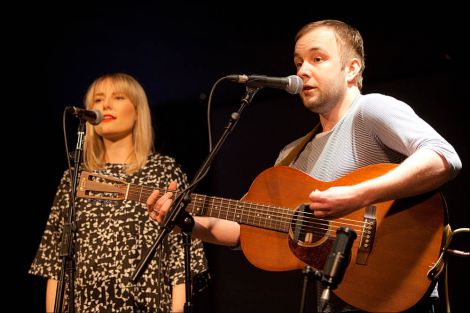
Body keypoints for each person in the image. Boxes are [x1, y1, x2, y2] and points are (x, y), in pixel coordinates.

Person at [148, 20, 462, 312]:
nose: (302, 71)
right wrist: (188, 223)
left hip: (393, 288)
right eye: (298, 63)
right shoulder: (292, 155)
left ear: (351, 68)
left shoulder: (371, 109)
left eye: (317, 59)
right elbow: (245, 228)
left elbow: (443, 157)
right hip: (337, 299)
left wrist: (358, 196)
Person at [29, 73, 209, 313]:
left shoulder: (164, 170)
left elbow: (181, 253)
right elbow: (55, 261)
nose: (105, 105)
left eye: (118, 97)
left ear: (137, 110)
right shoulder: (75, 178)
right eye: (98, 99)